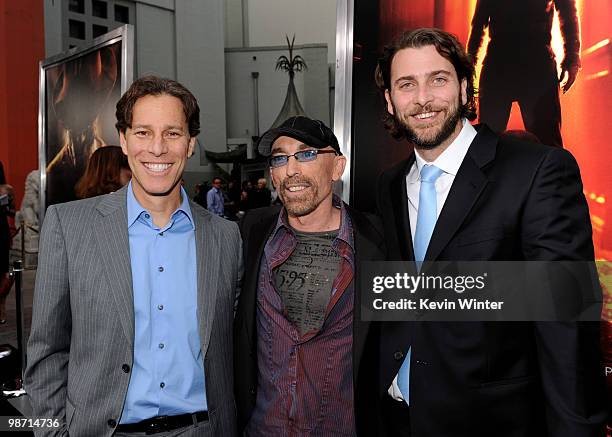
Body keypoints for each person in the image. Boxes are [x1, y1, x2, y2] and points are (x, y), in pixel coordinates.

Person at [373, 28, 606, 436]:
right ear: (391, 101)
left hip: (492, 423)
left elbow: (566, 320)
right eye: (407, 84)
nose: (423, 98)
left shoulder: (535, 171)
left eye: (438, 79)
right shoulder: (389, 185)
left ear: (465, 88)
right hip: (398, 418)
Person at [25, 76, 242, 436]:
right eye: (143, 132)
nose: (157, 148)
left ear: (190, 144)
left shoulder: (225, 238)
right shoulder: (69, 226)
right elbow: (45, 353)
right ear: (123, 140)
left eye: (173, 133)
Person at [234, 116, 385, 436]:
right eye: (279, 158)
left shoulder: (377, 241)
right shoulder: (252, 232)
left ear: (337, 167)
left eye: (306, 154)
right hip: (264, 429)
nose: (291, 170)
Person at [467, 0, 581, 148]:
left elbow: (479, 21)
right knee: (546, 142)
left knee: (489, 142)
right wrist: (572, 58)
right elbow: (568, 14)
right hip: (531, 63)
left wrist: (469, 61)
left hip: (505, 62)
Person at [0, 161, 15, 324]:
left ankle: (1, 307)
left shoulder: (7, 189)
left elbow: (13, 211)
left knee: (2, 273)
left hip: (1, 232)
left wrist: (4, 207)